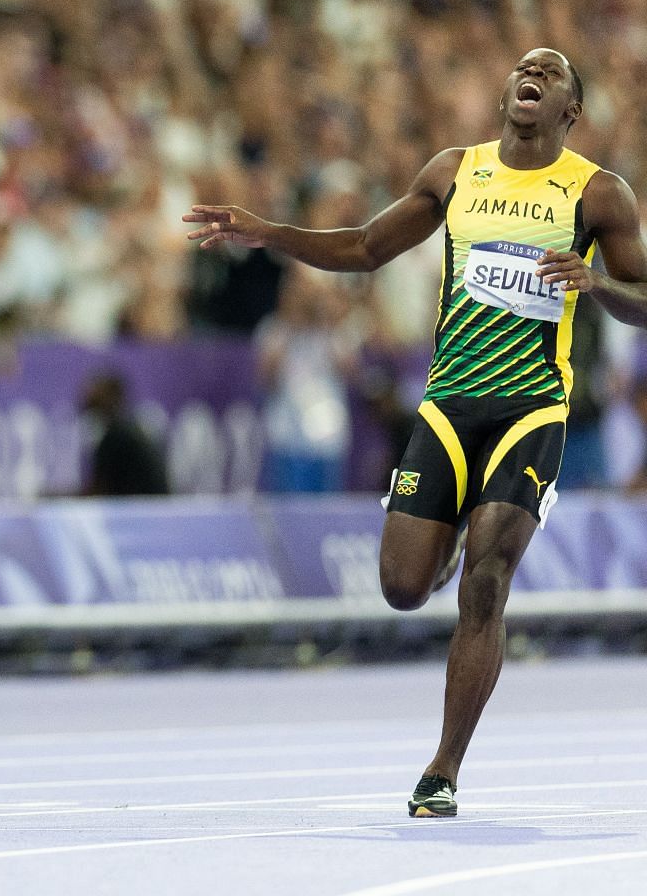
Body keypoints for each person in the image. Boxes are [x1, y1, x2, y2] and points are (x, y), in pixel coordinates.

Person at [186, 47, 647, 818]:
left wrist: (596, 282)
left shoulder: (598, 194)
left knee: (487, 582)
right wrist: (269, 233)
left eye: (552, 70)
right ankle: (457, 535)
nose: (532, 71)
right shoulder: (454, 171)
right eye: (523, 66)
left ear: (569, 110)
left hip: (531, 407)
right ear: (506, 92)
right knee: (402, 587)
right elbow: (367, 247)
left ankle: (442, 768)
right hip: (448, 403)